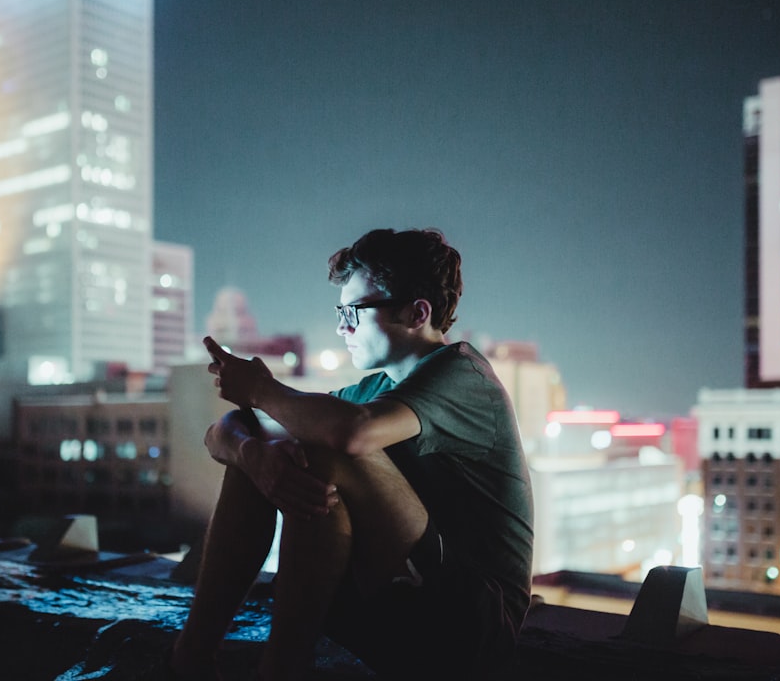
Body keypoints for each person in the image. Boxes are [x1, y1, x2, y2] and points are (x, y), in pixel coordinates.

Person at [169, 228, 534, 681]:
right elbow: (219, 436)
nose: (342, 327)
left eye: (354, 312)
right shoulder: (377, 390)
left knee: (324, 453)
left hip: (471, 624)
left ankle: (279, 670)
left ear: (417, 312)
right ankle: (192, 657)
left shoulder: (463, 376)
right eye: (340, 312)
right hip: (395, 603)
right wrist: (249, 454)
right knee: (275, 453)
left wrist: (261, 390)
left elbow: (352, 435)